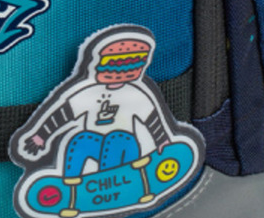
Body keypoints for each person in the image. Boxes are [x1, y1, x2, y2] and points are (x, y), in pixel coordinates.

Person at [19, 30, 170, 182]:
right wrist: (41, 136)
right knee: (80, 140)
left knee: (115, 138)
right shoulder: (88, 93)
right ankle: (71, 182)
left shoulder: (135, 94)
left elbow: (152, 119)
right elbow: (63, 114)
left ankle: (107, 179)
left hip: (126, 147)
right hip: (100, 145)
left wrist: (162, 141)